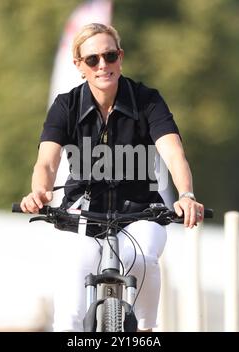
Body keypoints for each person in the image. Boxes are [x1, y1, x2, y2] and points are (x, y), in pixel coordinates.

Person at [20, 23, 204, 332]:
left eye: (110, 55)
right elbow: (46, 164)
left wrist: (186, 195)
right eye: (93, 59)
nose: (103, 65)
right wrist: (38, 191)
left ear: (120, 57)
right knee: (70, 310)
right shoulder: (65, 106)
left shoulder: (147, 100)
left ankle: (146, 331)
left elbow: (173, 154)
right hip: (82, 215)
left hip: (141, 212)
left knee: (141, 259)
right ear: (79, 66)